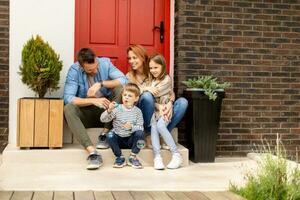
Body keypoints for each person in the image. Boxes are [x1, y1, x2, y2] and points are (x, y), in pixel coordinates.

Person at [63, 48, 128, 170]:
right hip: (86, 113)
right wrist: (93, 100)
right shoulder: (74, 70)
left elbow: (124, 80)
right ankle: (92, 152)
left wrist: (101, 84)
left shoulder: (104, 63)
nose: (95, 70)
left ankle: (105, 134)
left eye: (96, 67)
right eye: (90, 70)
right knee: (68, 108)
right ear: (82, 67)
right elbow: (68, 98)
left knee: (120, 89)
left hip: (106, 114)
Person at [126, 44, 188, 141]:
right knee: (146, 96)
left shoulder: (153, 71)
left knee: (183, 102)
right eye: (129, 58)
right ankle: (149, 132)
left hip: (162, 110)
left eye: (134, 58)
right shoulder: (129, 77)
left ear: (142, 58)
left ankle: (162, 134)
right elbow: (130, 97)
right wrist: (146, 89)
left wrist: (170, 103)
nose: (131, 61)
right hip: (144, 115)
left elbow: (170, 92)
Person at [148, 54, 182, 170]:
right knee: (153, 126)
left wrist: (147, 89)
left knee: (161, 126)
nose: (153, 70)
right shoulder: (151, 79)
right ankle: (157, 157)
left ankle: (176, 154)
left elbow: (153, 93)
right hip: (156, 109)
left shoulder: (167, 79)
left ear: (163, 66)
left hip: (165, 110)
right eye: (151, 68)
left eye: (156, 67)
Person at [100, 83, 144, 169]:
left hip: (131, 140)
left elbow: (141, 127)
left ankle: (133, 156)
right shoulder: (116, 109)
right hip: (119, 140)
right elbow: (103, 119)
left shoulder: (138, 111)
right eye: (125, 95)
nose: (126, 97)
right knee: (110, 135)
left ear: (136, 98)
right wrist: (109, 110)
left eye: (130, 96)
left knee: (140, 134)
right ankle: (119, 157)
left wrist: (132, 127)